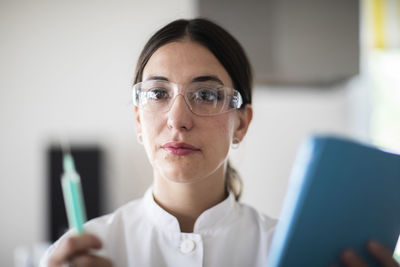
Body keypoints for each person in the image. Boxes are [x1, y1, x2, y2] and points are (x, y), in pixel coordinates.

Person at [40, 18, 399, 267]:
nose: (178, 119)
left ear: (241, 122)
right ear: (138, 120)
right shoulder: (81, 253)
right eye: (158, 93)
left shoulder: (291, 255)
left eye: (207, 94)